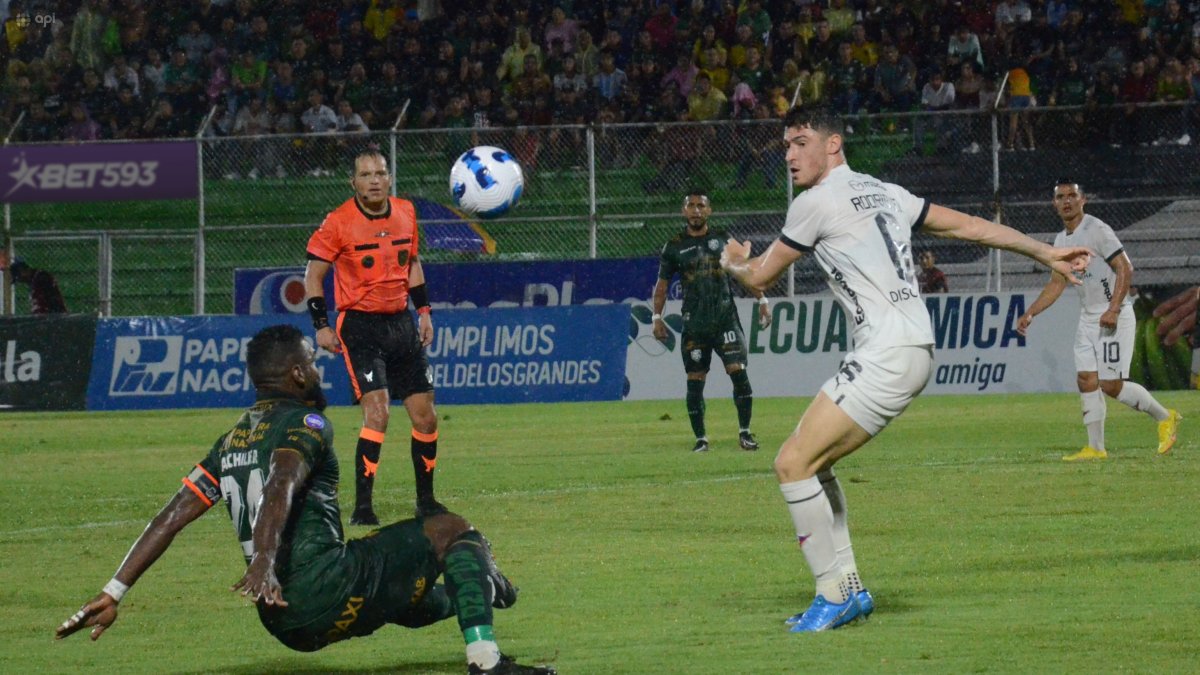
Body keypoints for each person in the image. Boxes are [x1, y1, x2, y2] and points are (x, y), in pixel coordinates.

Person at [718, 106, 1091, 632]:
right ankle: (848, 590)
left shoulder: (814, 202)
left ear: (833, 145)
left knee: (790, 464)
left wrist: (732, 260)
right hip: (912, 345)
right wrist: (1044, 251)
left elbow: (759, 276)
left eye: (801, 142)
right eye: (786, 145)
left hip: (887, 351)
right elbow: (970, 227)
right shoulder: (885, 190)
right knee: (815, 464)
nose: (790, 155)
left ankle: (832, 593)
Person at [53, 325, 554, 675]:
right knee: (450, 530)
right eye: (313, 364)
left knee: (403, 593)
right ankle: (486, 662)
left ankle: (484, 591)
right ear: (296, 374)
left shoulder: (229, 441)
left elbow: (170, 517)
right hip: (325, 587)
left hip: (286, 622)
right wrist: (265, 563)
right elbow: (281, 482)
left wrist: (114, 590)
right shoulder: (306, 423)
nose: (319, 371)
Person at [304, 150, 443, 526]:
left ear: (390, 178)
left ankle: (426, 501)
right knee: (378, 412)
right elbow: (314, 275)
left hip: (401, 323)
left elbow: (411, 263)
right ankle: (363, 506)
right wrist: (321, 324)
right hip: (361, 326)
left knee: (425, 417)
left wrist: (424, 312)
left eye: (380, 173)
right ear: (354, 182)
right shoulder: (338, 222)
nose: (374, 180)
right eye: (365, 175)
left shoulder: (407, 213)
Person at [1017, 182, 1182, 460]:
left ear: (1084, 200)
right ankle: (1096, 448)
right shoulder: (1061, 241)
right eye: (1061, 197)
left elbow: (1125, 268)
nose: (1067, 201)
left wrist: (1114, 309)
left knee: (1111, 385)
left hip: (1113, 316)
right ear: (1054, 204)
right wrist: (1031, 312)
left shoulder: (1097, 230)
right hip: (1088, 317)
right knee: (1086, 379)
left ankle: (1166, 417)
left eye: (1072, 196)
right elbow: (1057, 283)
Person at [653, 191, 772, 454]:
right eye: (691, 206)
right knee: (695, 379)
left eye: (701, 206)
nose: (696, 210)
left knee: (738, 372)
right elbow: (662, 287)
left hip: (725, 319)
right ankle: (701, 439)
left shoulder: (722, 239)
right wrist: (656, 317)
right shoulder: (673, 246)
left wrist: (762, 300)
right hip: (695, 324)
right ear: (684, 211)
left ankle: (745, 433)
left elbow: (744, 270)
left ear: (709, 211)